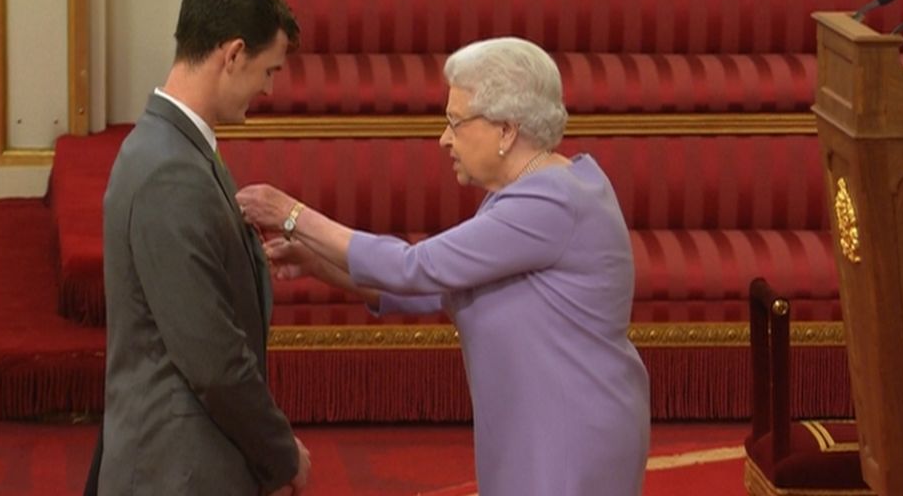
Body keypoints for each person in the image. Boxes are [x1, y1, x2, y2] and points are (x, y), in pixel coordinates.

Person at [238, 37, 650, 496]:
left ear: (506, 130)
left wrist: (291, 214)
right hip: (539, 423)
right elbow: (435, 287)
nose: (444, 138)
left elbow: (416, 267)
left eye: (455, 122)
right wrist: (317, 261)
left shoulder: (550, 201)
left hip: (570, 430)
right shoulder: (524, 193)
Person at [91, 0, 310, 496]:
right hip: (178, 473)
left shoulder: (176, 149)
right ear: (232, 55)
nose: (269, 89)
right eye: (268, 70)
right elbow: (213, 360)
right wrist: (281, 455)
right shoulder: (171, 171)